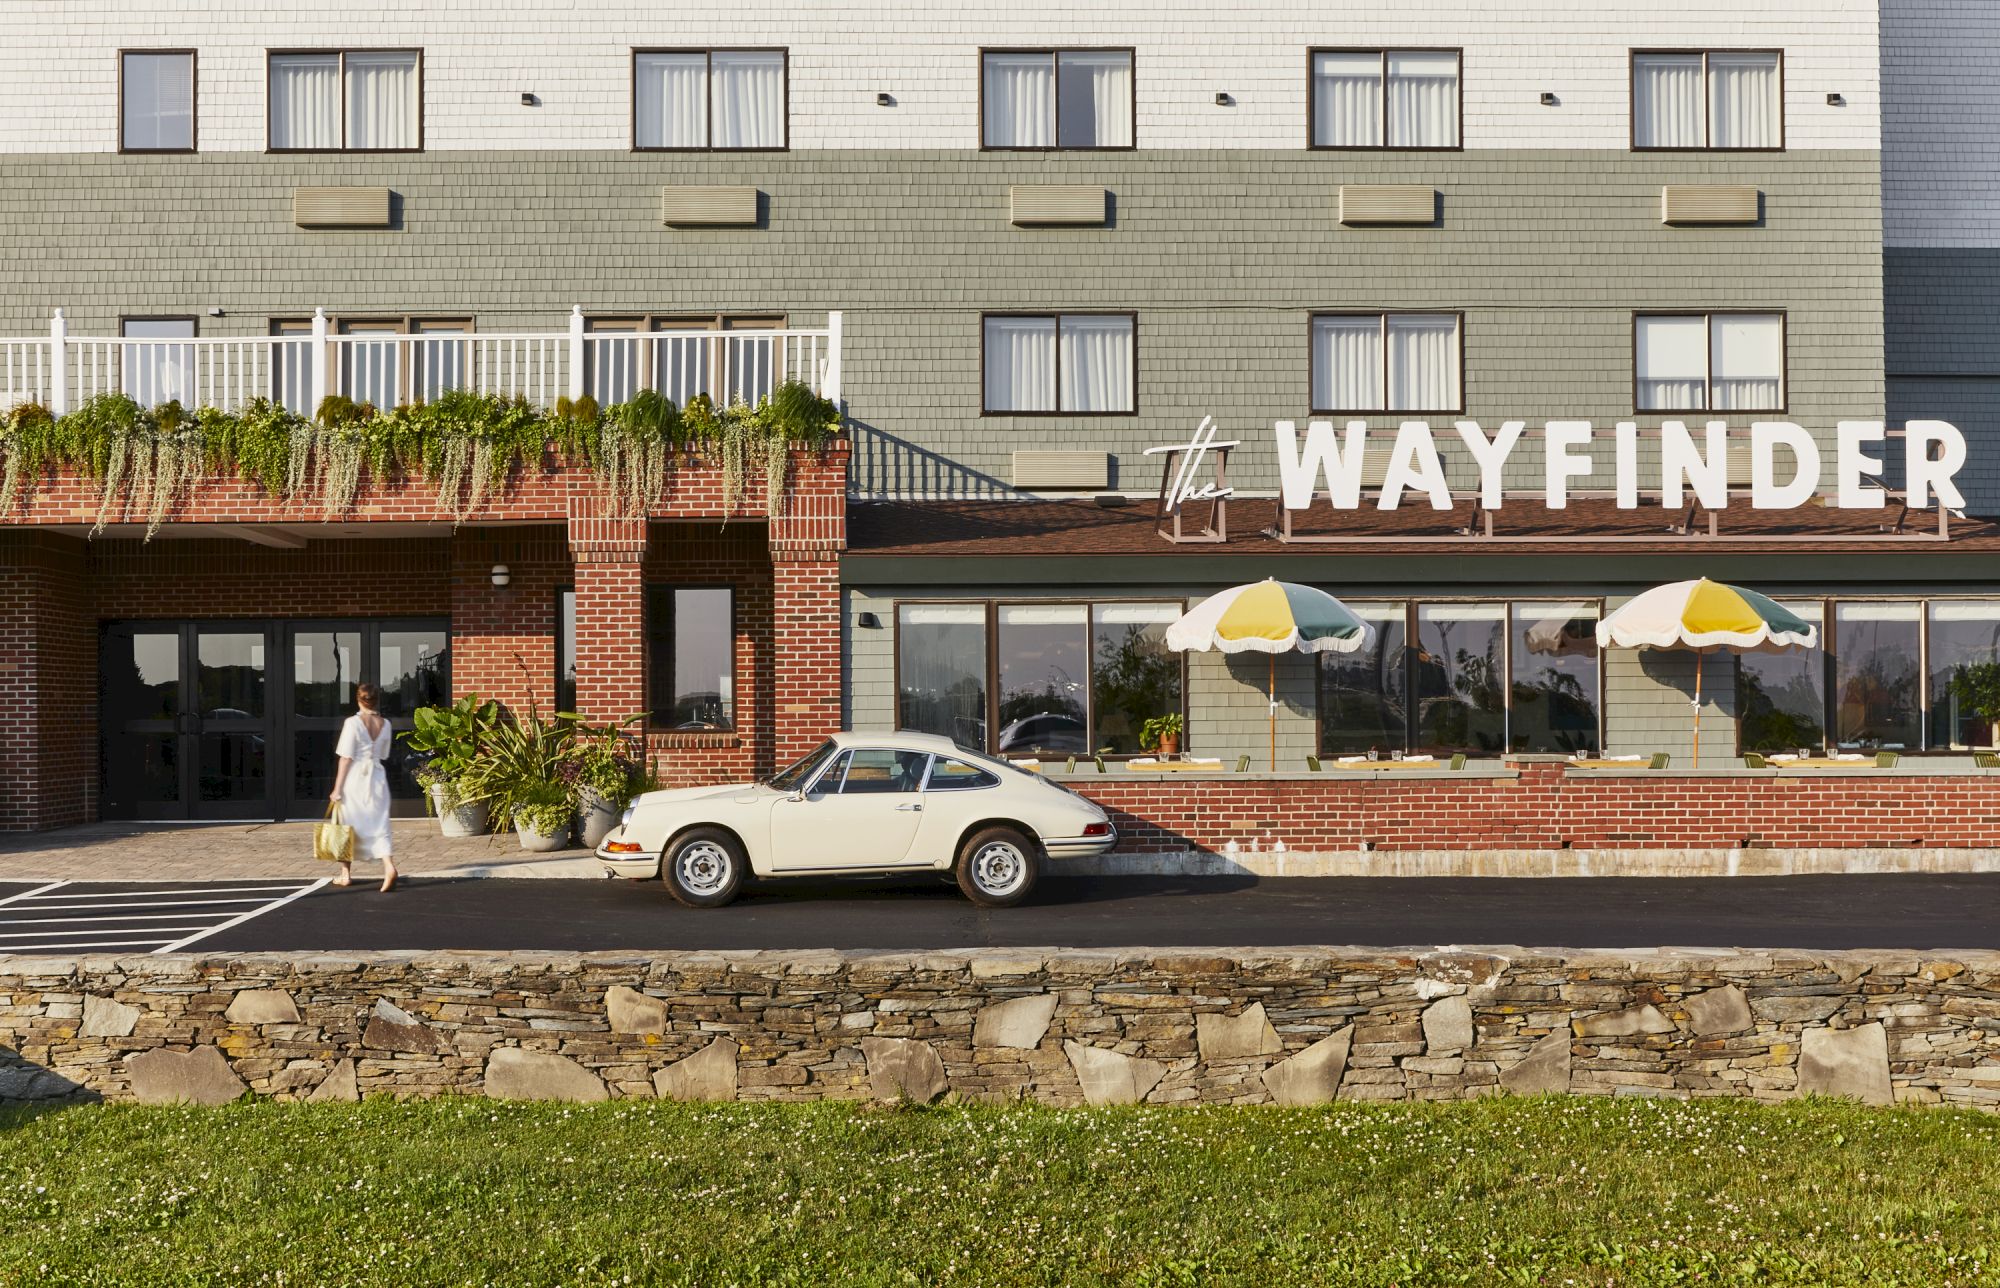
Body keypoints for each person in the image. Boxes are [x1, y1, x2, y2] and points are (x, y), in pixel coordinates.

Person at [329, 682, 400, 892]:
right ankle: (389, 867)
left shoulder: (352, 723)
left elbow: (346, 758)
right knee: (380, 824)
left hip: (355, 779)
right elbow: (384, 754)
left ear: (358, 699)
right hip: (377, 777)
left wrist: (337, 788)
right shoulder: (385, 724)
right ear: (376, 700)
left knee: (346, 825)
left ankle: (345, 874)